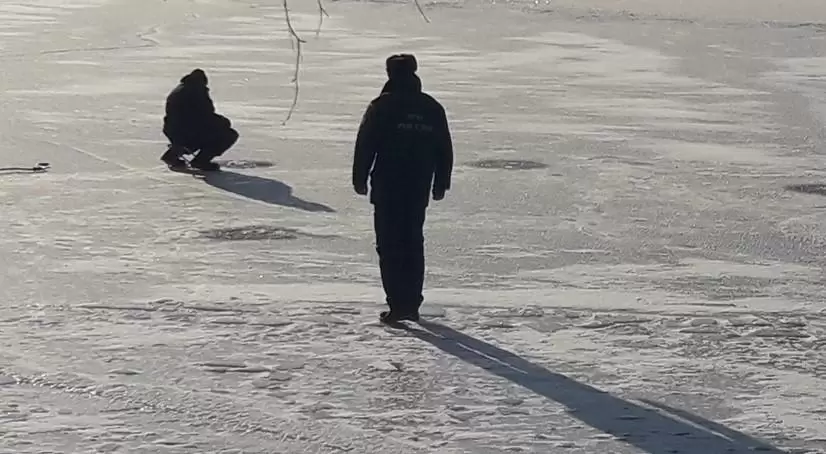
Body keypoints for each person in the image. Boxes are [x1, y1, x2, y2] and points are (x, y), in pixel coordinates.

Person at [352, 54, 454, 324]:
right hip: (418, 185)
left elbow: (365, 144)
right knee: (412, 243)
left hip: (388, 185)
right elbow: (444, 148)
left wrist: (359, 178)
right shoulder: (431, 107)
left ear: (389, 74)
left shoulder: (381, 106)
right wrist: (441, 182)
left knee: (389, 245)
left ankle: (398, 304)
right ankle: (411, 303)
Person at [161, 69, 239, 171]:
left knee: (189, 136)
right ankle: (201, 161)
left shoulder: (180, 89)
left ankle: (173, 153)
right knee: (229, 135)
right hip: (188, 130)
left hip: (173, 129)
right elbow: (205, 116)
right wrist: (224, 123)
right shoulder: (197, 92)